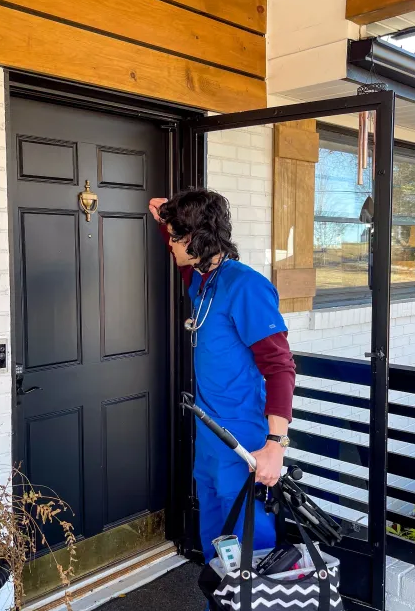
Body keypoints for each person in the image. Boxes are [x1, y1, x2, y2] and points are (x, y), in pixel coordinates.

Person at [149, 188, 296, 564]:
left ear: (198, 238)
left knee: (251, 544)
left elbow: (280, 367)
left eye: (177, 238)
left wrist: (275, 445)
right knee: (217, 544)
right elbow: (187, 265)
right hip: (211, 436)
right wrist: (167, 220)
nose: (171, 244)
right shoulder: (203, 279)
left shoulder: (246, 287)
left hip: (244, 441)